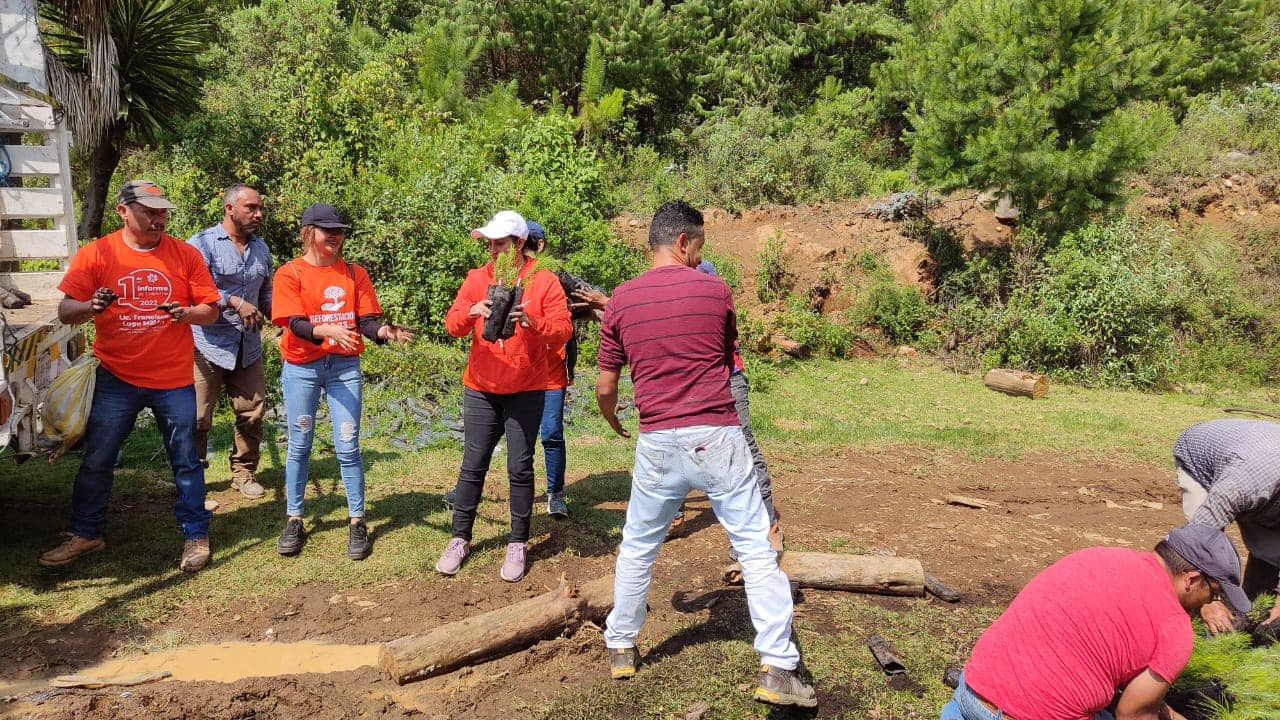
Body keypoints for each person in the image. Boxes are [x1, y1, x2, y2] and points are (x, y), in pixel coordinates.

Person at [595, 200, 816, 708]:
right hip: (717, 436)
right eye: (698, 248)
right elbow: (722, 358)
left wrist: (613, 418)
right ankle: (779, 666)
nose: (700, 257)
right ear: (682, 242)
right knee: (755, 549)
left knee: (638, 546)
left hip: (657, 440)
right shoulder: (715, 290)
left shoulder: (622, 301)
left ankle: (622, 646)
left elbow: (607, 384)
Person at [38, 180, 221, 572]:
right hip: (115, 377)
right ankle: (87, 534)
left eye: (162, 212)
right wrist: (91, 305)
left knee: (186, 460)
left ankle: (195, 535)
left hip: (172, 379)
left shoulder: (184, 255)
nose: (159, 219)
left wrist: (186, 313)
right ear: (123, 210)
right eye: (149, 211)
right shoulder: (98, 253)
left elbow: (211, 310)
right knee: (97, 458)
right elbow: (66, 311)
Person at [941, 524, 1250, 720]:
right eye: (1213, 593)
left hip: (970, 695)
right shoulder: (1175, 629)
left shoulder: (1096, 556)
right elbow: (1133, 714)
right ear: (1192, 579)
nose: (1210, 604)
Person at [270, 203, 414, 561]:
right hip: (301, 366)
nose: (335, 236)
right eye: (326, 230)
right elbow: (293, 323)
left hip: (344, 367)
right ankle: (295, 518)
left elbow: (365, 321)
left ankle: (357, 520)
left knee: (348, 446)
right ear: (308, 232)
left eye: (340, 230)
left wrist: (383, 331)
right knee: (299, 443)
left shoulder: (353, 272)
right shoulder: (290, 273)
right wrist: (326, 330)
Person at [435, 210, 572, 582]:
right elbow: (451, 325)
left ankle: (517, 543)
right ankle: (460, 538)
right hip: (481, 387)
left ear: (519, 244)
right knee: (473, 463)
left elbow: (562, 330)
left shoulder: (543, 281)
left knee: (519, 467)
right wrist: (471, 312)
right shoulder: (478, 278)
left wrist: (533, 323)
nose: (493, 250)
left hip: (526, 389)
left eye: (500, 243)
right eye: (490, 243)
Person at [188, 183, 272, 498]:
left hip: (247, 346)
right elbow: (193, 289)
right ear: (230, 209)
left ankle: (243, 474)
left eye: (260, 207)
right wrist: (234, 301)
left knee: (252, 412)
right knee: (197, 417)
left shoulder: (261, 249)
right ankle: (193, 479)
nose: (258, 213)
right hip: (206, 345)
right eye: (251, 207)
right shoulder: (201, 245)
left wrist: (287, 317)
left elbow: (266, 294)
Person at [694, 259, 783, 555]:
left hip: (727, 380)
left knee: (745, 451)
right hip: (699, 384)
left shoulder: (706, 275)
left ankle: (768, 526)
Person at [1173, 418, 1280, 633]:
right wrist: (1209, 601)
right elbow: (1198, 538)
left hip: (1256, 459)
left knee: (1271, 552)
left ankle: (1251, 612)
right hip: (1202, 458)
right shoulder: (1245, 484)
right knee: (1205, 552)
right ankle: (1192, 619)